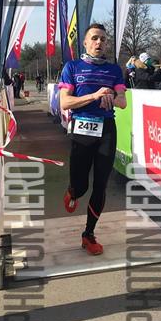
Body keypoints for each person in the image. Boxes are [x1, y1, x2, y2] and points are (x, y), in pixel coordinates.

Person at [58, 24, 127, 255]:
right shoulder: (72, 67)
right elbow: (65, 103)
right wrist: (94, 96)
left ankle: (88, 234)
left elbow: (122, 102)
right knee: (81, 186)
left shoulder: (114, 69)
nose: (99, 42)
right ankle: (73, 190)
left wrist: (111, 96)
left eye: (103, 39)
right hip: (82, 129)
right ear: (85, 43)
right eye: (95, 38)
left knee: (100, 184)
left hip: (107, 129)